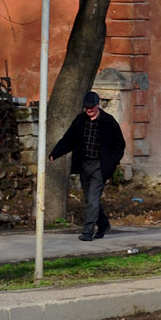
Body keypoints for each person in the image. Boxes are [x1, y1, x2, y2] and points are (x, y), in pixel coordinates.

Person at [49, 91, 126, 241]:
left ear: (98, 104)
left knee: (92, 200)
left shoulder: (108, 122)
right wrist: (55, 153)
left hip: (100, 166)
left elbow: (120, 144)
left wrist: (112, 162)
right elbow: (68, 139)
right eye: (86, 108)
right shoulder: (80, 120)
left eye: (91, 107)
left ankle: (87, 231)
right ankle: (103, 224)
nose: (89, 110)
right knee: (90, 200)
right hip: (84, 164)